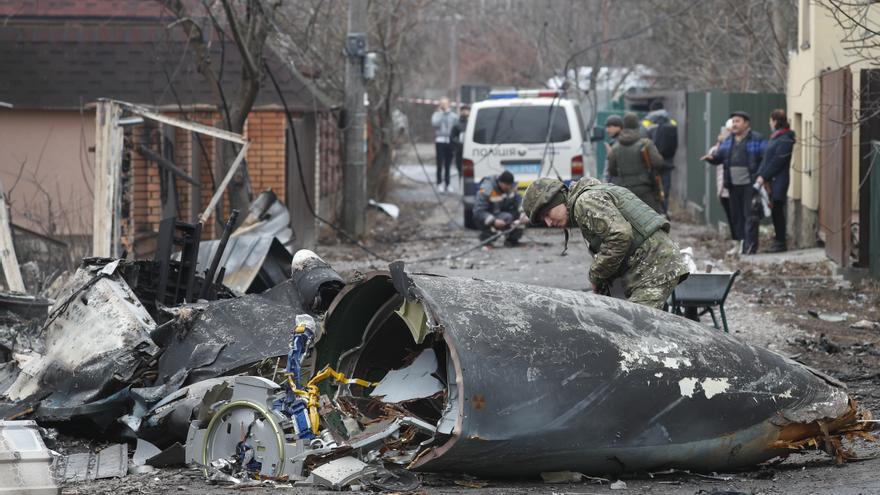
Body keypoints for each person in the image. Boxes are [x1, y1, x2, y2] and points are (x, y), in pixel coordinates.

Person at [521, 177, 689, 310]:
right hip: (650, 266)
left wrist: (596, 275)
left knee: (638, 332)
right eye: (544, 220)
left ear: (557, 200)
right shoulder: (587, 198)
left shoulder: (584, 202)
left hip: (656, 267)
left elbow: (620, 236)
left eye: (547, 214)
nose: (549, 223)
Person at [702, 111, 766, 255]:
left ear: (746, 123)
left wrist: (761, 177)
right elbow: (720, 157)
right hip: (732, 184)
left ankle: (750, 247)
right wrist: (711, 158)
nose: (734, 124)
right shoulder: (729, 140)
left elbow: (764, 158)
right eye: (733, 121)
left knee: (750, 215)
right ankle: (739, 244)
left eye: (737, 121)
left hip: (750, 184)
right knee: (736, 217)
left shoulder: (756, 138)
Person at [606, 112, 665, 214]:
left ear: (623, 126)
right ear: (637, 126)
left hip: (623, 190)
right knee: (652, 218)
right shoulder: (646, 144)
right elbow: (658, 163)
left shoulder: (615, 147)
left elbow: (611, 170)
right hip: (644, 189)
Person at [756, 109, 795, 253]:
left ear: (776, 121)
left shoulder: (785, 138)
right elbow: (767, 159)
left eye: (771, 120)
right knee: (775, 211)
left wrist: (764, 176)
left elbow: (777, 161)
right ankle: (778, 241)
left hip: (778, 180)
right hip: (771, 179)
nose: (769, 123)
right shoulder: (777, 137)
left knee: (778, 210)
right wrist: (761, 174)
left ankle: (780, 242)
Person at [472, 171, 527, 247]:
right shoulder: (487, 188)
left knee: (518, 216)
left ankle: (512, 240)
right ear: (500, 182)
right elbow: (478, 211)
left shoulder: (511, 187)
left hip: (503, 214)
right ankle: (486, 239)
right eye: (506, 185)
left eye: (510, 185)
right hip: (489, 215)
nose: (508, 187)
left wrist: (523, 213)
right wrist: (493, 221)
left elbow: (519, 200)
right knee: (487, 222)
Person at [642, 101, 679, 214]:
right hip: (668, 161)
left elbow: (643, 142)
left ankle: (654, 212)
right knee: (665, 188)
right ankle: (664, 211)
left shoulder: (646, 123)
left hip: (652, 162)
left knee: (652, 187)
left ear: (651, 110)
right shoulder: (672, 122)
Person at [705, 120, 737, 242]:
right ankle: (735, 240)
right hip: (723, 186)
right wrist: (720, 142)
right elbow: (713, 153)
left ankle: (739, 240)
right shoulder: (722, 146)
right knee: (730, 215)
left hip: (732, 185)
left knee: (736, 216)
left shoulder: (734, 145)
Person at [431, 98, 458, 193]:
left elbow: (456, 127)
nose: (444, 105)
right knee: (439, 163)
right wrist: (442, 113)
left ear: (449, 104)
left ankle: (448, 183)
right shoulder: (437, 115)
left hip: (449, 141)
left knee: (448, 164)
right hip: (440, 140)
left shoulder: (453, 116)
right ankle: (439, 183)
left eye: (446, 104)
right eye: (442, 104)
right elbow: (435, 123)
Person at [450, 104, 470, 181]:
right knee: (460, 171)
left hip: (471, 150)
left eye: (467, 110)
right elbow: (452, 137)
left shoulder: (473, 123)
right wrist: (459, 144)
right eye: (463, 110)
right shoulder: (457, 124)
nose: (465, 112)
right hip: (460, 151)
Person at [602, 114, 623, 183]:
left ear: (618, 127)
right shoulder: (615, 142)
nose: (607, 130)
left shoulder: (621, 142)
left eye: (609, 127)